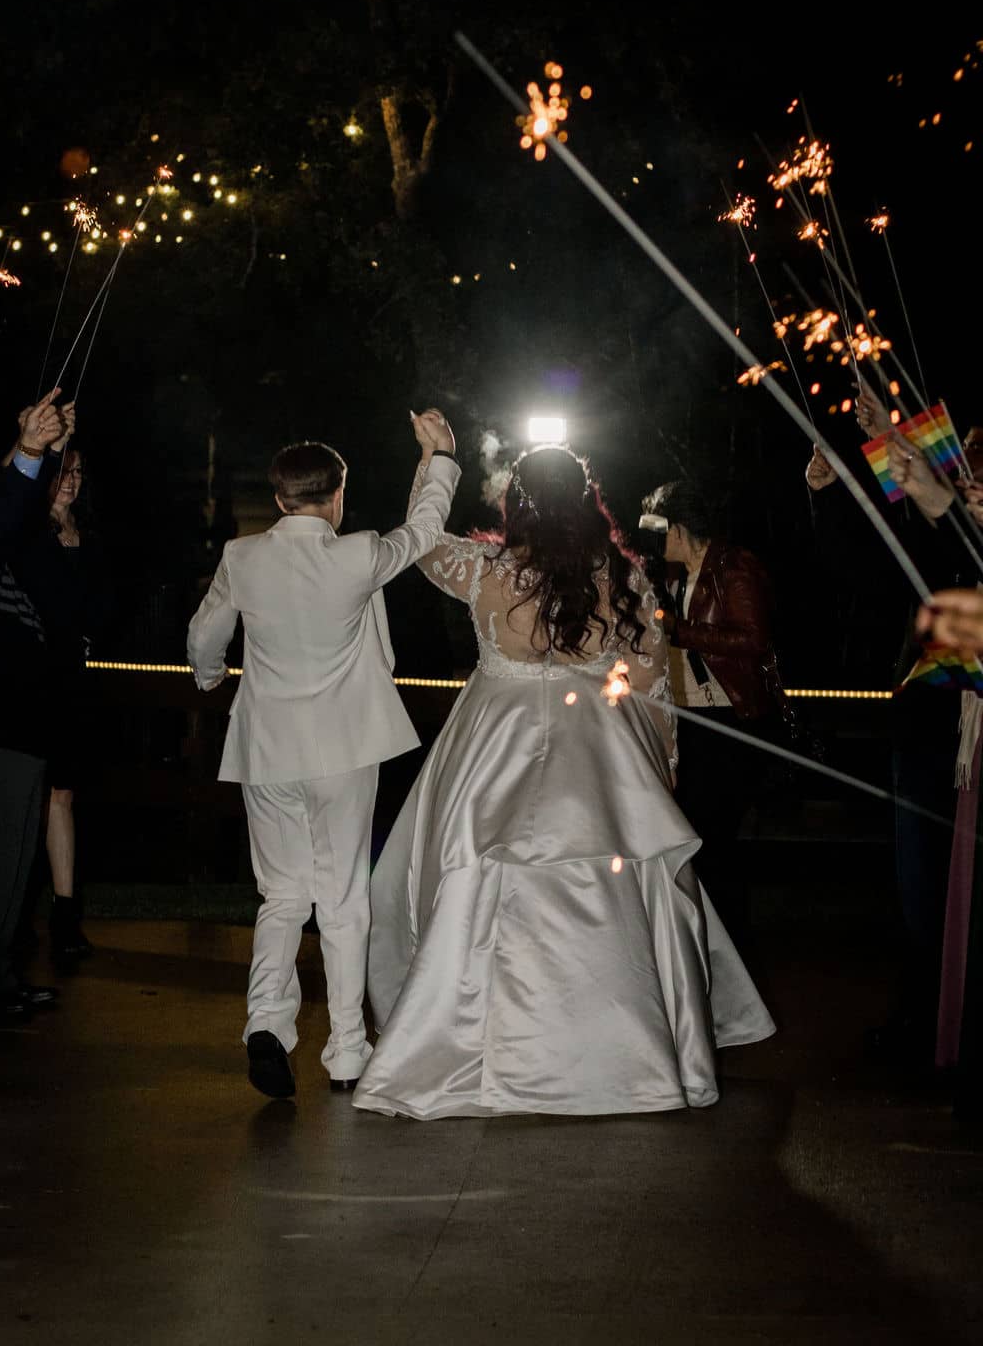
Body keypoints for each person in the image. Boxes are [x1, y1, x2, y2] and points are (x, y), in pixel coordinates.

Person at [353, 445, 774, 1121]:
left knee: (473, 870)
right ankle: (625, 1055)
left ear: (514, 503)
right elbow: (649, 684)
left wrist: (435, 461)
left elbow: (421, 539)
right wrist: (659, 774)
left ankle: (466, 1045)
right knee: (617, 881)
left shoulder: (483, 567)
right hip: (597, 747)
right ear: (586, 502)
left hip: (492, 742)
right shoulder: (621, 575)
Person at [187, 409, 460, 1102]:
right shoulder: (358, 553)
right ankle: (345, 1052)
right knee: (341, 899)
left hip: (267, 750)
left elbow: (203, 638)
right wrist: (440, 461)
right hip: (344, 747)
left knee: (281, 895)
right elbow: (425, 532)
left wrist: (212, 679)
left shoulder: (241, 558)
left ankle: (266, 1027)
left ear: (280, 498)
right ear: (337, 493)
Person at [808, 388, 983, 1069]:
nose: (967, 468)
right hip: (929, 723)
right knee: (921, 883)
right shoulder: (944, 548)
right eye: (963, 453)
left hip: (960, 725)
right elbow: (872, 572)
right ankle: (928, 1019)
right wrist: (829, 491)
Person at [0, 388, 71, 1026]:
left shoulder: (13, 550)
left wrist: (43, 449)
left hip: (16, 730)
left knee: (6, 864)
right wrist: (31, 449)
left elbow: (13, 520)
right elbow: (1, 517)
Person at [636, 479, 785, 949]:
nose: (656, 542)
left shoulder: (735, 568)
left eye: (660, 530)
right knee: (697, 836)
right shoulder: (679, 576)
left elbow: (754, 641)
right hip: (690, 720)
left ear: (679, 528)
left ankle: (726, 945)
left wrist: (684, 631)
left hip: (726, 722)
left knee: (714, 840)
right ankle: (705, 941)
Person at [11, 444, 110, 967]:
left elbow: (98, 608)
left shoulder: (89, 539)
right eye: (62, 472)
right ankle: (15, 914)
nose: (70, 481)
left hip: (73, 679)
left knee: (63, 794)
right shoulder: (26, 531)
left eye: (78, 472)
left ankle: (66, 914)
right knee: (26, 793)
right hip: (28, 679)